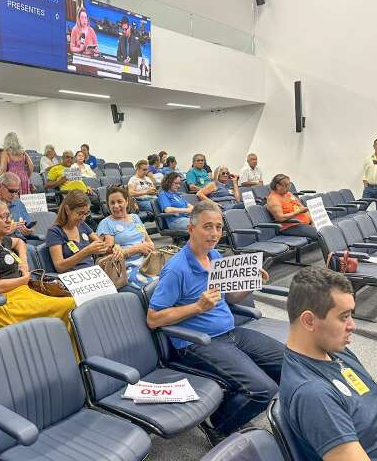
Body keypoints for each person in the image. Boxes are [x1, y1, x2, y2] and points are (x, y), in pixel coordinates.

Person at [147, 200, 283, 436]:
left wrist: (252, 284)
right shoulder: (176, 269)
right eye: (207, 227)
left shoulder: (215, 256)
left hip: (231, 334)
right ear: (191, 229)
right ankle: (217, 425)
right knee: (262, 389)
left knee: (288, 363)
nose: (214, 233)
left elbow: (230, 300)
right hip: (198, 343)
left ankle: (234, 399)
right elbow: (153, 319)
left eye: (219, 227)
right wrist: (197, 307)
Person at [280, 266, 377, 460]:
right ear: (309, 321)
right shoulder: (313, 394)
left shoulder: (338, 352)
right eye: (344, 317)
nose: (352, 325)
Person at [0, 198, 76, 331]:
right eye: (2, 217)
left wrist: (24, 262)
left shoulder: (1, 240)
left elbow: (20, 243)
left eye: (8, 215)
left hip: (22, 295)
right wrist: (23, 280)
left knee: (73, 301)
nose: (9, 220)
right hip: (3, 305)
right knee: (70, 305)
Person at [97, 186, 157, 288]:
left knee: (172, 274)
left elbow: (149, 242)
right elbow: (110, 256)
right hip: (125, 266)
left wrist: (149, 248)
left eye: (119, 201)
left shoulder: (135, 217)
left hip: (147, 260)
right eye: (112, 203)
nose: (116, 206)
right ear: (108, 205)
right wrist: (137, 248)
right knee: (153, 284)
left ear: (127, 201)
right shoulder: (106, 223)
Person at [46, 190, 107, 273]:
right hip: (73, 279)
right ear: (67, 210)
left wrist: (113, 247)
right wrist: (86, 251)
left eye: (86, 213)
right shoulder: (54, 232)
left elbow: (101, 245)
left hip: (92, 275)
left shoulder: (82, 225)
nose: (83, 218)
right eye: (80, 213)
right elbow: (59, 266)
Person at [266, 174, 318, 239]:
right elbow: (280, 218)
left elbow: (302, 208)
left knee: (327, 229)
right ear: (278, 186)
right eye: (286, 185)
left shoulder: (288, 194)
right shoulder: (273, 199)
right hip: (291, 226)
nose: (289, 187)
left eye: (289, 185)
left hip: (304, 223)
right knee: (321, 233)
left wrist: (312, 221)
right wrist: (297, 212)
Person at [0, 172, 35, 241]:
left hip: (22, 241)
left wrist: (29, 231)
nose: (14, 194)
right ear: (0, 186)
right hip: (2, 244)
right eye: (11, 191)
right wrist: (7, 231)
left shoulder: (18, 203)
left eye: (16, 191)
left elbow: (29, 225)